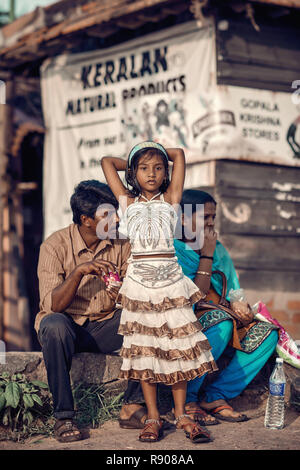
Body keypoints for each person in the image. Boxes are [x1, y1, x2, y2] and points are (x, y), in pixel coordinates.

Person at [118, 189, 279, 426]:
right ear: (183, 218)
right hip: (182, 321)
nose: (211, 223)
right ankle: (187, 401)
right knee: (221, 325)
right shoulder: (169, 249)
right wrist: (207, 254)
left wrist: (238, 302)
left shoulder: (219, 248)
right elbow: (192, 296)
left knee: (267, 334)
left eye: (213, 217)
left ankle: (215, 395)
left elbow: (233, 286)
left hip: (222, 312)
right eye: (205, 217)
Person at [101, 142, 217, 443]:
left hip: (170, 282)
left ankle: (181, 416)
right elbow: (105, 162)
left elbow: (178, 154)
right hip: (139, 283)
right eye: (144, 168)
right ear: (133, 173)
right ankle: (153, 417)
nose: (151, 173)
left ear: (166, 173)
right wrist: (136, 157)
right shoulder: (126, 201)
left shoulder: (171, 199)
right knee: (145, 350)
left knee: (177, 347)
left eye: (157, 168)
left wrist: (154, 151)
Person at [36, 180, 131, 442]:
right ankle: (64, 418)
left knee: (144, 317)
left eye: (115, 213)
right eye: (107, 215)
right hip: (67, 328)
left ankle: (133, 406)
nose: (116, 220)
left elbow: (135, 296)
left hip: (105, 326)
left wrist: (121, 293)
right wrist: (79, 272)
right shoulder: (54, 246)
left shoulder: (122, 245)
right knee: (53, 325)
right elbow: (52, 305)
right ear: (86, 220)